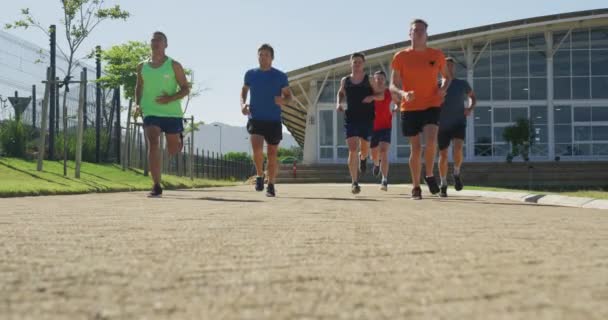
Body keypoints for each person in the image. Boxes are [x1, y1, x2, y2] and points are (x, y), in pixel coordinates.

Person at [390, 19, 451, 200]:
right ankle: (416, 187)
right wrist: (403, 93)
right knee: (416, 149)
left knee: (431, 141)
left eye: (422, 30)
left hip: (431, 104)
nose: (418, 33)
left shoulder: (437, 55)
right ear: (409, 34)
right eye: (415, 30)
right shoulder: (400, 57)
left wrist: (442, 90)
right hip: (409, 106)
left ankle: (430, 174)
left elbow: (447, 77)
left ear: (427, 34)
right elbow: (392, 85)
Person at [135, 31, 190, 198]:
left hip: (171, 113)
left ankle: (179, 140)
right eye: (153, 39)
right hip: (151, 111)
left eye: (159, 40)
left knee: (173, 149)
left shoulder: (174, 65)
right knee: (153, 141)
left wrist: (170, 98)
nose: (155, 42)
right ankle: (156, 185)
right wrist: (137, 104)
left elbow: (186, 88)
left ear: (166, 45)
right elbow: (139, 87)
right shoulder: (142, 66)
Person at [240, 44, 292, 197]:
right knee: (256, 148)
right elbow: (244, 90)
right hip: (256, 117)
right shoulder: (250, 74)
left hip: (274, 120)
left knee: (272, 153)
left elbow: (289, 97)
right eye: (260, 55)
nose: (263, 57)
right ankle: (259, 175)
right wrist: (243, 104)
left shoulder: (280, 76)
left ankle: (271, 184)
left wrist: (282, 100)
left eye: (266, 55)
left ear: (272, 58)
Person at [337, 53, 383, 194]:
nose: (356, 64)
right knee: (352, 149)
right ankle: (354, 183)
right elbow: (340, 93)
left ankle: (363, 158)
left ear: (363, 64)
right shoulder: (345, 80)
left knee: (364, 149)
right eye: (354, 62)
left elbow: (380, 95)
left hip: (367, 119)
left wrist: (371, 97)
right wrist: (339, 103)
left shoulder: (368, 80)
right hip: (350, 118)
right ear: (350, 64)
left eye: (359, 62)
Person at [438, 57, 476, 197]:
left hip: (459, 121)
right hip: (442, 124)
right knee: (443, 154)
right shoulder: (437, 85)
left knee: (458, 148)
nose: (449, 68)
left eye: (451, 65)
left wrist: (470, 108)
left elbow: (473, 97)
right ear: (442, 68)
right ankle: (443, 184)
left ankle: (456, 172)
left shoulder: (462, 84)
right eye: (446, 65)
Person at [369, 70, 399, 191]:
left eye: (381, 78)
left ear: (385, 80)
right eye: (377, 79)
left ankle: (384, 180)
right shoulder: (370, 93)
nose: (379, 81)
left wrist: (396, 108)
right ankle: (376, 164)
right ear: (374, 81)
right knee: (374, 154)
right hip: (372, 127)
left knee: (384, 151)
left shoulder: (388, 92)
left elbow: (398, 102)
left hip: (386, 126)